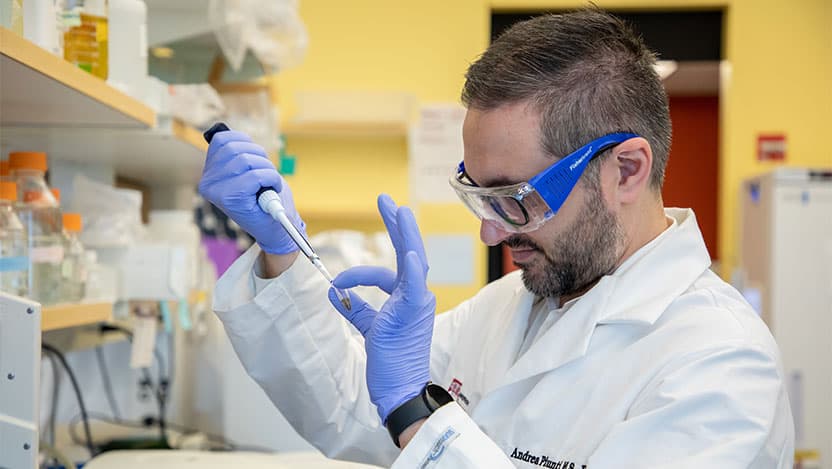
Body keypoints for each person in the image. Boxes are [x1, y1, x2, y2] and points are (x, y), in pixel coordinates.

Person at [199, 9, 794, 468]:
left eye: (515, 198)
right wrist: (282, 250)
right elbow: (349, 411)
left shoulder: (720, 365)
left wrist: (414, 408)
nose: (490, 231)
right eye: (477, 195)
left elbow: (410, 421)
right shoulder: (511, 307)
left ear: (628, 171)